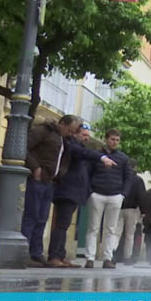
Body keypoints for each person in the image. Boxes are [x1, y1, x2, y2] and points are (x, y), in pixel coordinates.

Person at [50, 123, 115, 268]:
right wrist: (102, 157)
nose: (87, 138)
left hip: (73, 192)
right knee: (61, 225)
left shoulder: (78, 147)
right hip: (66, 190)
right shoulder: (71, 145)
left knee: (64, 225)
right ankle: (54, 256)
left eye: (88, 136)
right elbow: (84, 153)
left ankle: (60, 255)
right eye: (84, 135)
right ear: (75, 134)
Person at [22, 115, 82, 266]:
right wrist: (35, 167)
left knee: (42, 218)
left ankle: (36, 253)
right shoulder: (44, 131)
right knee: (32, 215)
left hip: (49, 182)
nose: (70, 134)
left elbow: (64, 158)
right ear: (62, 123)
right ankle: (24, 252)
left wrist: (60, 173)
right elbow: (24, 147)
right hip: (37, 179)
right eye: (69, 130)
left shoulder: (62, 139)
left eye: (73, 131)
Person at [84, 128, 130, 269]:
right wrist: (90, 192)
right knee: (93, 227)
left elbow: (128, 178)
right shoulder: (96, 156)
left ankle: (107, 258)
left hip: (115, 196)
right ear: (106, 139)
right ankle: (90, 258)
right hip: (97, 194)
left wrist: (123, 194)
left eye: (117, 140)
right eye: (112, 139)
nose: (115, 142)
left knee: (111, 229)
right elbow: (87, 174)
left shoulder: (123, 158)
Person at [116, 167, 146, 265]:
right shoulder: (138, 180)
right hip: (132, 209)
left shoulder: (120, 177)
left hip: (118, 208)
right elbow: (141, 196)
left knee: (116, 233)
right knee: (130, 235)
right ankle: (127, 257)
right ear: (135, 168)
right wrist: (143, 211)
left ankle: (111, 253)